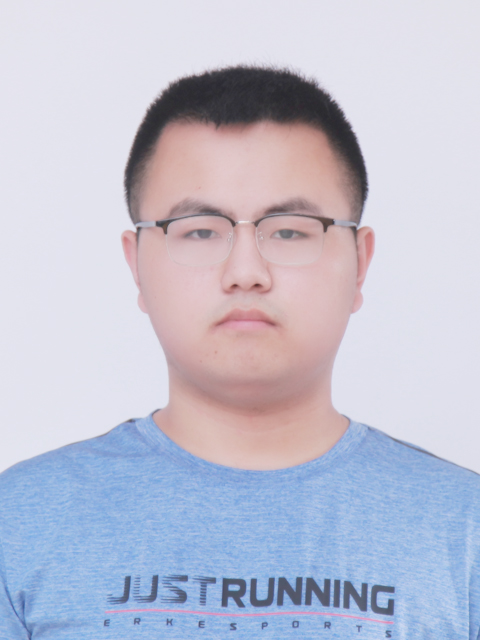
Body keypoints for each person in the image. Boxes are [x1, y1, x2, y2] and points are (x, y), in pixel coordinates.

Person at [0, 66, 478, 640]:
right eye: (200, 231)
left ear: (360, 263)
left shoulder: (464, 528)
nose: (246, 271)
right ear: (136, 264)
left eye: (290, 231)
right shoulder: (17, 524)